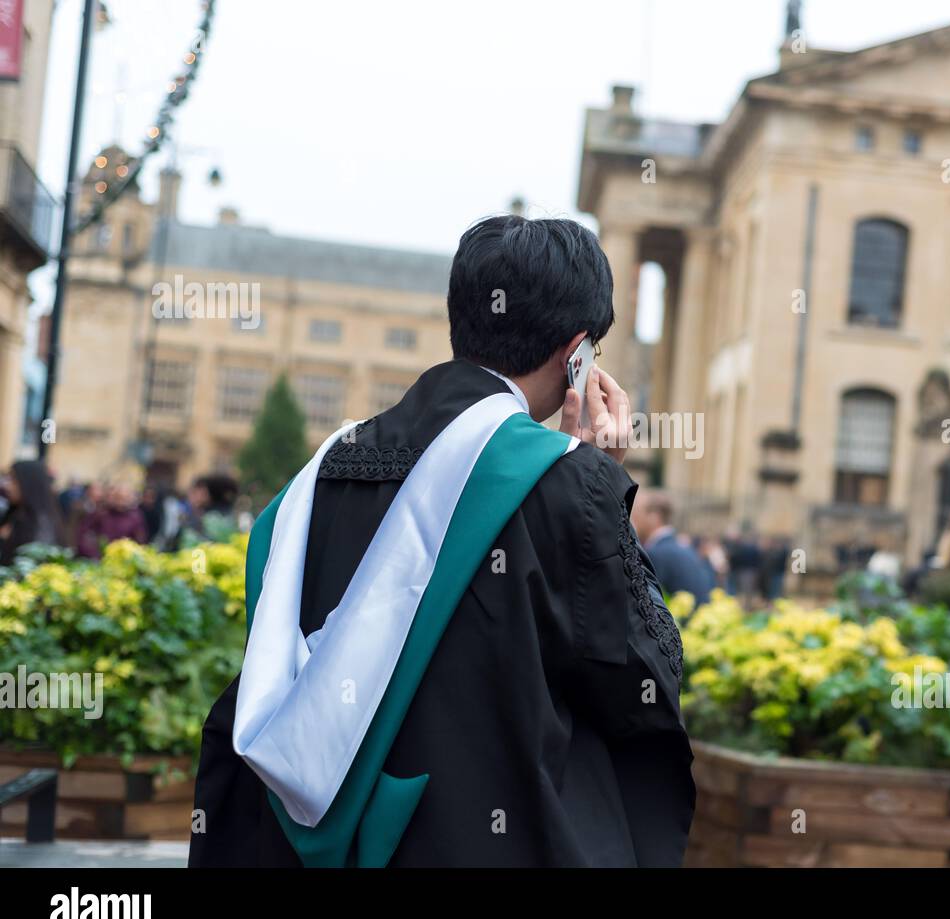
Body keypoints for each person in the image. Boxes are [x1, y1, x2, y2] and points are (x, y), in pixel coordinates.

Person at [190, 216, 695, 868]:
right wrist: (601, 478)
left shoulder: (316, 475)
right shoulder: (565, 484)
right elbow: (646, 678)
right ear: (577, 352)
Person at [630, 489, 714, 608]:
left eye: (638, 513)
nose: (633, 520)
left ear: (654, 516)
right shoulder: (683, 548)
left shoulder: (656, 553)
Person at [0, 461, 65, 564]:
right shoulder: (14, 514)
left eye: (13, 480)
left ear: (29, 484)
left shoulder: (41, 524)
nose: (7, 486)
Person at [75, 483, 148, 559]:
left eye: (124, 498)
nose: (120, 501)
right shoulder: (101, 513)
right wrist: (93, 553)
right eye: (117, 497)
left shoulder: (135, 517)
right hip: (100, 557)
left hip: (124, 559)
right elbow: (85, 533)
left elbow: (140, 540)